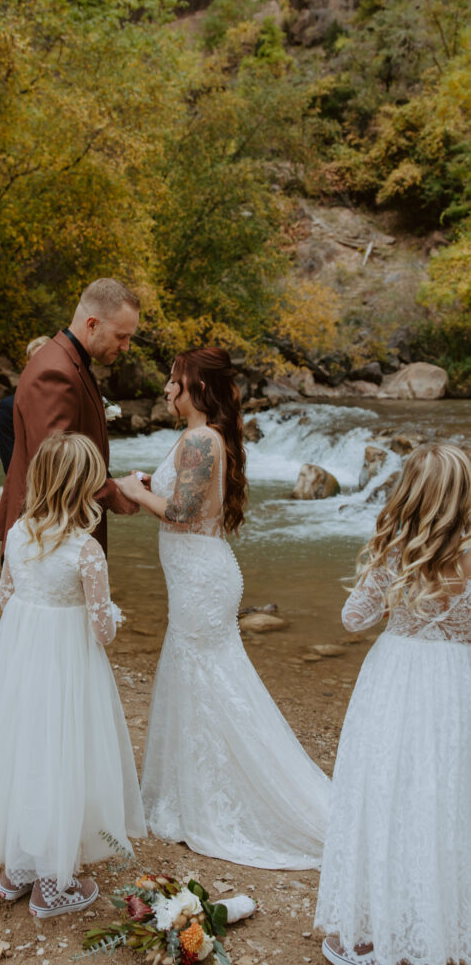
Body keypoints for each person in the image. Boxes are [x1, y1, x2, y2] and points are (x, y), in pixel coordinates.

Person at [116, 347, 330, 868]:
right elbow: (184, 509)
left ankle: (221, 802)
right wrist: (149, 488)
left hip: (201, 579)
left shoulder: (198, 438)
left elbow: (184, 512)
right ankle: (191, 793)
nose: (167, 390)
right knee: (201, 680)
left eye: (175, 382)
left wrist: (131, 490)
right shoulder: (202, 437)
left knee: (208, 680)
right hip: (198, 574)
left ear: (199, 389)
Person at [0, 432, 146, 918]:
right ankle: (54, 882)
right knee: (62, 754)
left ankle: (16, 869)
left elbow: (8, 595)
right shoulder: (86, 550)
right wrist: (115, 614)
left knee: (25, 750)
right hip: (68, 666)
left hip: (22, 661)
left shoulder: (20, 531)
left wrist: (34, 623)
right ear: (83, 487)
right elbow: (103, 629)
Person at [314, 444, 471, 965]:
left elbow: (353, 619)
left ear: (409, 495)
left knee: (388, 792)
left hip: (397, 680)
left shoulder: (396, 553)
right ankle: (445, 922)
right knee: (447, 797)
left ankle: (379, 922)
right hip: (456, 684)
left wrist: (383, 571)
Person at [0, 278, 140, 555]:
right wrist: (112, 494)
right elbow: (56, 468)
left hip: (58, 537)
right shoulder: (55, 372)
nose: (126, 347)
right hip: (45, 545)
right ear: (92, 324)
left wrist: (117, 484)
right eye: (121, 336)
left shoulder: (69, 361)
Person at [0, 336, 50, 474]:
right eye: (35, 360)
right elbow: (9, 462)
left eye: (45, 357)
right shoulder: (9, 407)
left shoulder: (71, 399)